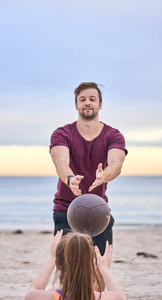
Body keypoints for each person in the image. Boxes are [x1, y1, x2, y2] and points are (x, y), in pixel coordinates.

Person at [50, 82, 127, 255]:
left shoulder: (113, 135)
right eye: (82, 99)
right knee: (65, 268)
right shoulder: (62, 133)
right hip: (66, 209)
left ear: (100, 104)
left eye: (92, 99)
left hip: (98, 210)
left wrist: (104, 175)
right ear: (76, 105)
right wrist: (71, 179)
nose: (87, 102)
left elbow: (116, 163)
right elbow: (60, 162)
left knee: (100, 266)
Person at [25, 230, 126, 300]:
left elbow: (33, 290)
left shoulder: (52, 297)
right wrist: (103, 268)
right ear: (91, 264)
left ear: (58, 264)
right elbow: (121, 296)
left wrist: (52, 259)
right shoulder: (98, 297)